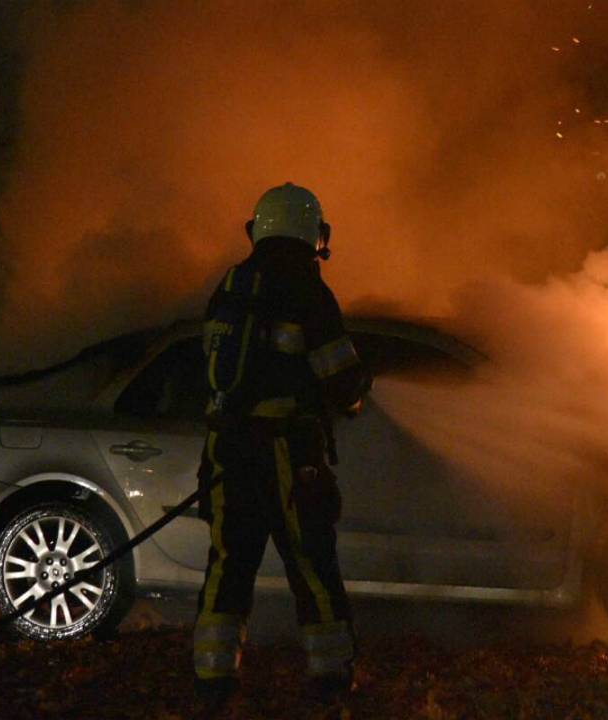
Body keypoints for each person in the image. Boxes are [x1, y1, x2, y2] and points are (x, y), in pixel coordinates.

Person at [192, 182, 370, 711]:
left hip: (228, 451)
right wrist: (359, 389)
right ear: (312, 231)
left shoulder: (231, 285)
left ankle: (211, 680)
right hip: (289, 457)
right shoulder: (308, 291)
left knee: (228, 565)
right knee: (313, 566)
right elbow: (342, 382)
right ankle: (331, 679)